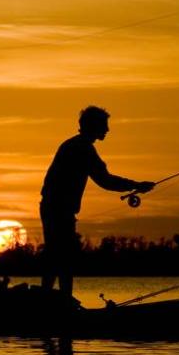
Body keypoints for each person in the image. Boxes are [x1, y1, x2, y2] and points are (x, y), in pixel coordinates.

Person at [40, 105, 155, 296]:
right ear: (93, 125)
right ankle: (61, 303)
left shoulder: (73, 145)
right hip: (58, 210)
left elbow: (103, 179)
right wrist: (136, 185)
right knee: (62, 258)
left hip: (54, 208)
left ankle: (52, 301)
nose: (107, 130)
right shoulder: (82, 148)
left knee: (56, 256)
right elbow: (105, 180)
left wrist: (134, 185)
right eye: (104, 125)